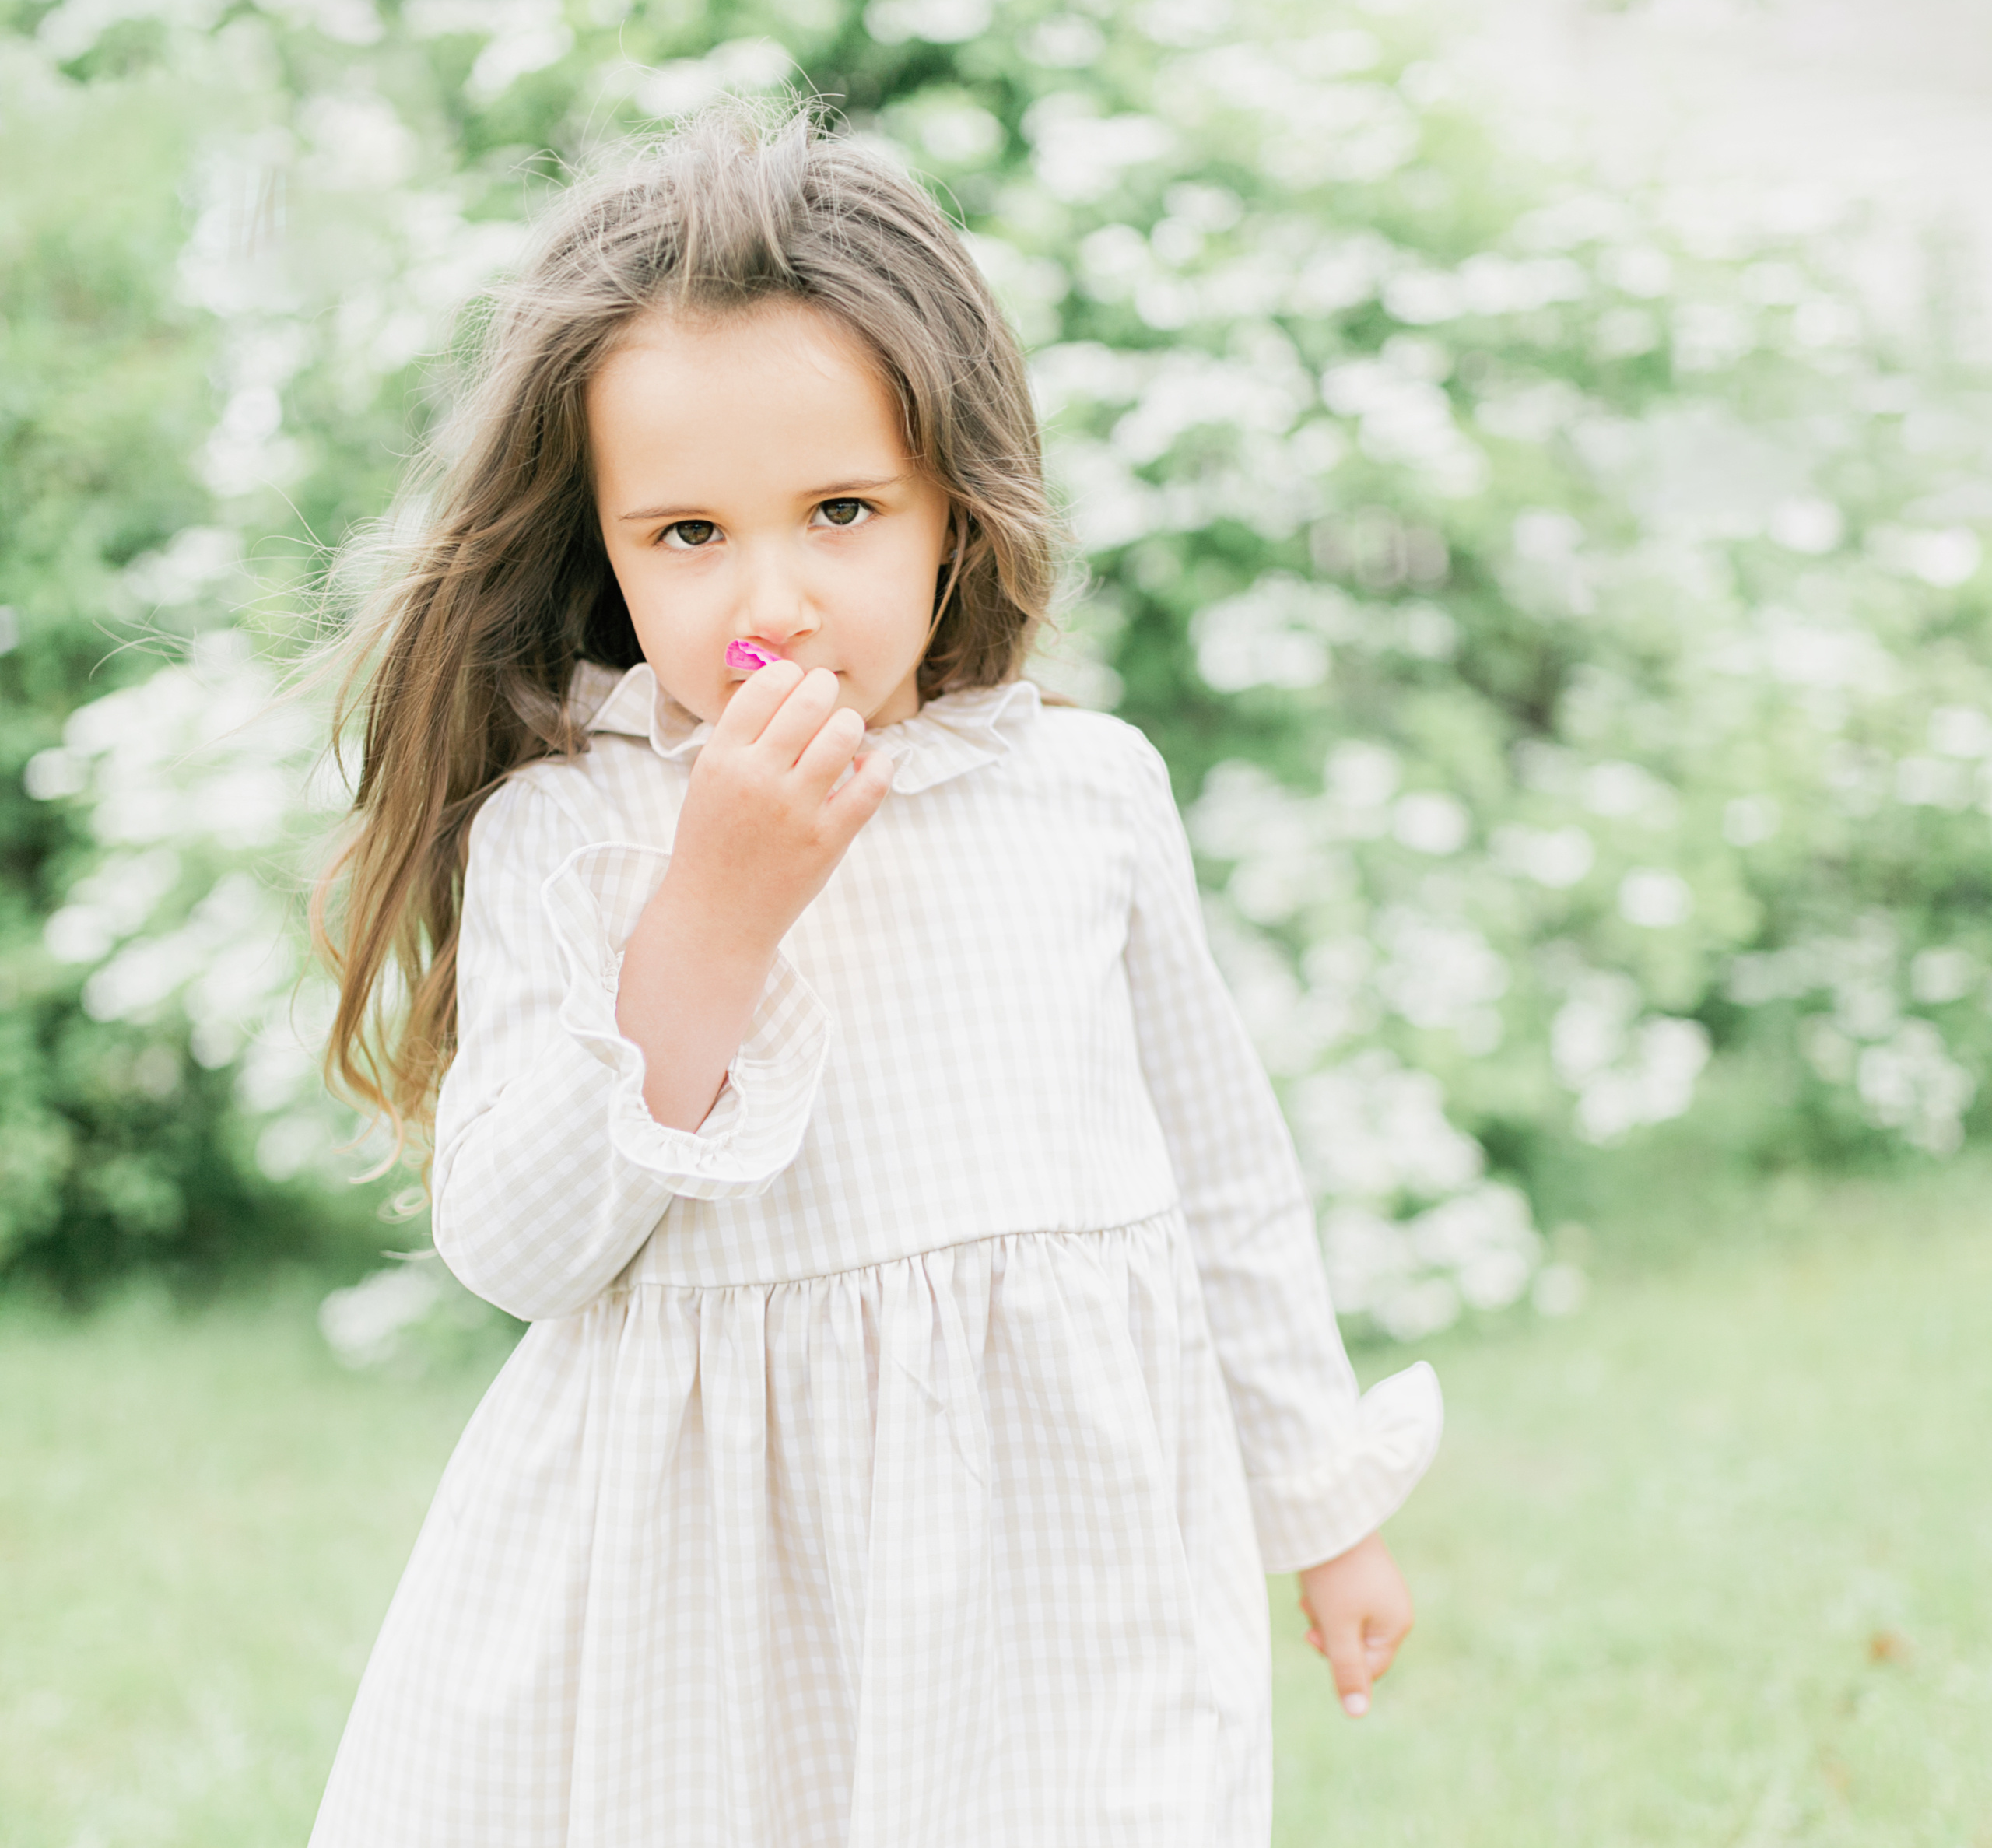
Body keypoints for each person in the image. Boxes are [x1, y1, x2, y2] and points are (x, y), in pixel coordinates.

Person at [308, 100, 1443, 1848]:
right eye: (685, 532)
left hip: (1063, 1568)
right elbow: (519, 1245)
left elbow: (1223, 1177)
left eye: (840, 508)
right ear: (599, 545)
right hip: (719, 1600)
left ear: (952, 513)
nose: (772, 595)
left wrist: (1318, 1507)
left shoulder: (1080, 795)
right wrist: (714, 907)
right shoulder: (573, 831)